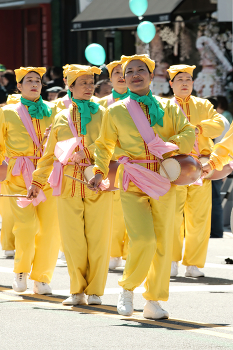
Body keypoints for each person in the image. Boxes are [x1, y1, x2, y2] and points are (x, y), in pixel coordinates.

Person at [89, 54, 195, 319]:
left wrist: (167, 146)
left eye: (141, 70)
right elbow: (104, 145)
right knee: (144, 239)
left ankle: (154, 301)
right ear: (123, 78)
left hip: (164, 177)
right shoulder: (115, 110)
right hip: (133, 177)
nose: (136, 74)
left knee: (162, 242)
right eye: (130, 71)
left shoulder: (169, 106)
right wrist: (100, 172)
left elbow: (188, 132)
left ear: (151, 75)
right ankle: (127, 288)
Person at [28, 64, 113, 306]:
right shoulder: (60, 117)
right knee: (72, 239)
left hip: (97, 180)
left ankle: (95, 291)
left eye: (91, 83)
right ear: (70, 86)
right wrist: (37, 181)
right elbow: (48, 154)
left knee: (98, 237)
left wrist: (86, 150)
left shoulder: (105, 113)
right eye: (83, 83)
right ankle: (77, 290)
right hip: (67, 183)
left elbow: (112, 145)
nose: (89, 87)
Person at [0, 66, 60, 294]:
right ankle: (21, 270)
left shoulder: (53, 111)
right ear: (19, 86)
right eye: (29, 80)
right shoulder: (7, 112)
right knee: (26, 225)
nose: (34, 84)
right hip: (18, 174)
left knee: (49, 229)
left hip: (48, 174)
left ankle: (42, 276)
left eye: (38, 80)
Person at [167, 65, 224, 278]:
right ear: (171, 83)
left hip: (201, 166)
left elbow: (219, 125)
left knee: (199, 217)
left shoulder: (203, 104)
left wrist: (198, 128)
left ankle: (193, 263)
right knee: (172, 216)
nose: (184, 82)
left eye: (188, 79)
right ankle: (171, 259)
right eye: (179, 79)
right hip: (174, 166)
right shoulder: (164, 106)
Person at [98, 60, 130, 269]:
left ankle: (131, 253)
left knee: (135, 209)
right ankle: (113, 252)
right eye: (115, 73)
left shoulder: (145, 103)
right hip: (110, 164)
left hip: (136, 164)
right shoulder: (99, 105)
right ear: (109, 79)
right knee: (113, 211)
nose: (120, 76)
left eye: (123, 72)